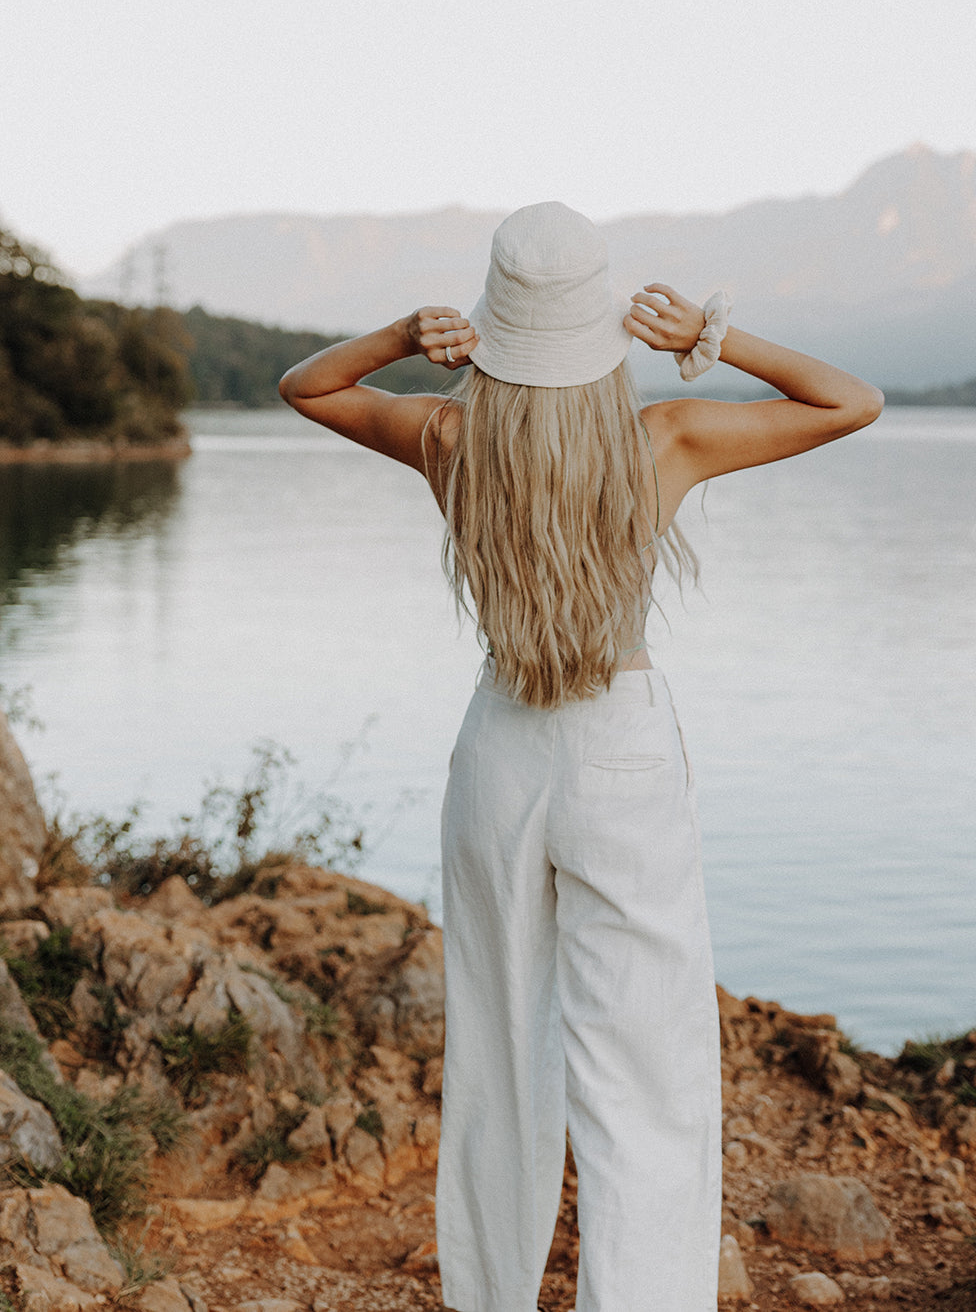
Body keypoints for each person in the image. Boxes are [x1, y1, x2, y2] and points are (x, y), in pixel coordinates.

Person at [278, 201, 883, 1312]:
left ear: (497, 330)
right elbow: (853, 400)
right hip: (622, 751)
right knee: (643, 1070)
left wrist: (403, 338)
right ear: (603, 332)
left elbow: (305, 387)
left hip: (500, 751)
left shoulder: (450, 438)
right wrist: (711, 337)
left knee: (501, 1052)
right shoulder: (664, 438)